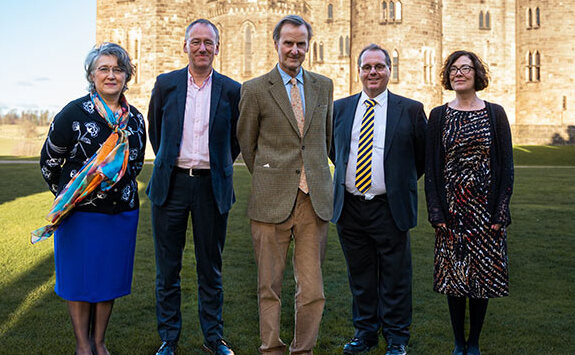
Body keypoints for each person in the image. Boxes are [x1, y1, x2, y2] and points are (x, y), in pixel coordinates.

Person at [33, 42, 146, 355]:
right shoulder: (73, 113)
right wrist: (70, 193)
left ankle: (100, 342)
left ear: (127, 76)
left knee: (107, 281)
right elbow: (49, 162)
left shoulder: (135, 120)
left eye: (117, 69)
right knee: (80, 281)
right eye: (104, 69)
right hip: (79, 215)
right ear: (92, 75)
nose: (111, 75)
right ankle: (83, 346)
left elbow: (134, 166)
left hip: (120, 213)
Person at [237, 14, 334, 355]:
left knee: (312, 290)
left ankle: (303, 350)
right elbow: (247, 144)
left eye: (301, 43)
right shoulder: (254, 89)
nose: (294, 50)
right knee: (269, 286)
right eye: (288, 43)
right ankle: (272, 348)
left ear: (308, 46)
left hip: (314, 200)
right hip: (270, 201)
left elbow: (325, 138)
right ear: (276, 44)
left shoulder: (324, 86)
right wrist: (269, 175)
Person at [146, 18, 240, 355]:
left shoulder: (231, 90)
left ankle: (213, 338)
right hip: (169, 186)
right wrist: (173, 161)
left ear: (217, 47)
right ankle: (169, 339)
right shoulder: (166, 84)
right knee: (167, 269)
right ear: (185, 46)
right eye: (196, 42)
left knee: (210, 268)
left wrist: (216, 164)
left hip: (210, 188)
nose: (202, 48)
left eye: (208, 42)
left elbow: (235, 140)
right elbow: (156, 130)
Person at [330, 44, 427, 355]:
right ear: (358, 71)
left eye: (379, 66)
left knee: (395, 278)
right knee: (361, 278)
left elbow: (421, 158)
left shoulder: (410, 109)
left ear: (389, 70)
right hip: (350, 207)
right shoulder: (341, 109)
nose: (372, 72)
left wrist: (396, 184)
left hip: (389, 207)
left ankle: (397, 339)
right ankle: (365, 334)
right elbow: (335, 151)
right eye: (366, 67)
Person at [424, 50, 514, 355]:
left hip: (485, 211)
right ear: (448, 76)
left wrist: (501, 210)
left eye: (466, 68)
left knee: (482, 277)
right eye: (453, 69)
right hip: (451, 212)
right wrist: (436, 211)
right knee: (454, 276)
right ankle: (457, 342)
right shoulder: (438, 115)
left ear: (477, 75)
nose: (458, 73)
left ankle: (473, 341)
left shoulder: (495, 113)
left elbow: (506, 165)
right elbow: (432, 167)